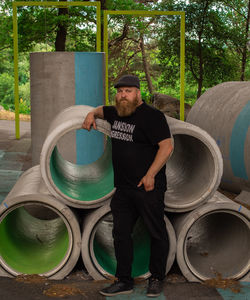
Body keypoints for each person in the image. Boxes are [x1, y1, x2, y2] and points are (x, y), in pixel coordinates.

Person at [82, 74, 173, 298]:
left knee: (156, 233)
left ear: (138, 93)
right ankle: (124, 280)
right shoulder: (115, 112)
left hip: (148, 187)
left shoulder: (153, 117)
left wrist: (151, 174)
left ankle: (157, 277)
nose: (123, 95)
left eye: (128, 91)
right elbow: (99, 109)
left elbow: (167, 146)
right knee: (120, 233)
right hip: (123, 188)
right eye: (120, 91)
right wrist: (90, 113)